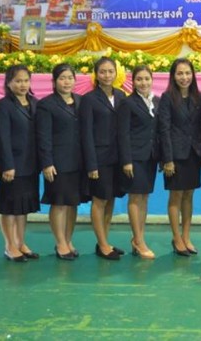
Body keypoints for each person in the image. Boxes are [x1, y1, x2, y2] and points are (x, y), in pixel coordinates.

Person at [80, 57, 126, 260]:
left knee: (111, 199)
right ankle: (103, 244)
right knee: (99, 200)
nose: (107, 75)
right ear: (96, 75)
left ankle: (104, 242)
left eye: (110, 71)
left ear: (116, 73)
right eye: (103, 71)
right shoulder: (89, 99)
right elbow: (86, 134)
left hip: (117, 157)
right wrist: (91, 164)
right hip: (99, 159)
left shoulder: (121, 95)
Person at [158, 58, 201, 256]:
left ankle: (186, 236)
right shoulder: (167, 97)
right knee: (176, 195)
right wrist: (167, 159)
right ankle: (176, 238)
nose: (184, 77)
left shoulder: (199, 97)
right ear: (173, 76)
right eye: (180, 73)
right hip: (175, 156)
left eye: (187, 73)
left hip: (193, 154)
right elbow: (164, 129)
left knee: (189, 195)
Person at [0, 65, 41, 262]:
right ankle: (9, 245)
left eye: (26, 80)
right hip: (12, 165)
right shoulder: (3, 106)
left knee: (23, 206)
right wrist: (7, 165)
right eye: (18, 81)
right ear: (9, 83)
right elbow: (2, 138)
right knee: (9, 206)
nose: (22, 85)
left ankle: (21, 242)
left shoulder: (35, 103)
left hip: (31, 164)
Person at [36, 63, 83, 261]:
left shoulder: (81, 101)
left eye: (70, 78)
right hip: (57, 163)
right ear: (54, 82)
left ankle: (68, 239)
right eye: (62, 78)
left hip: (78, 162)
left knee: (73, 204)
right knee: (59, 203)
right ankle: (60, 242)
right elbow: (43, 136)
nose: (66, 82)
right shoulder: (46, 104)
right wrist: (47, 163)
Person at [118, 65, 160, 259]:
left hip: (150, 157)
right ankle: (139, 240)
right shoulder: (128, 103)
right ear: (133, 82)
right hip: (134, 158)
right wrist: (126, 160)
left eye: (146, 78)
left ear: (152, 80)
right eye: (139, 79)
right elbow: (123, 133)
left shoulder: (157, 101)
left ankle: (138, 238)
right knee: (135, 197)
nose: (143, 83)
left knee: (144, 197)